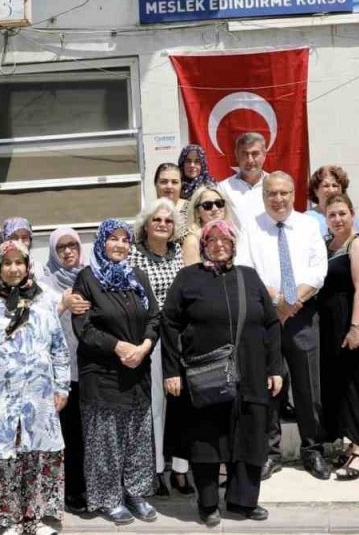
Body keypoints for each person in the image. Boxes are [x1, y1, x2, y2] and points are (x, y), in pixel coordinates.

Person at [162, 220, 283, 525]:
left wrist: (274, 368)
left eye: (225, 239)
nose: (219, 244)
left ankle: (243, 502)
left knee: (250, 438)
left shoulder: (249, 277)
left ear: (233, 244)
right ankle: (207, 504)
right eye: (212, 239)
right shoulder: (188, 278)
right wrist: (172, 370)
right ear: (203, 244)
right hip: (206, 377)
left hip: (252, 375)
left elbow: (271, 323)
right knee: (207, 439)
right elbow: (169, 324)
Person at [0, 240, 70, 535]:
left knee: (35, 456)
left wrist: (62, 387)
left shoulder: (44, 299)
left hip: (38, 395)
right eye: (6, 263)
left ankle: (33, 520)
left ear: (27, 265)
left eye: (18, 262)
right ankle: (5, 522)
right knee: (1, 458)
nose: (13, 268)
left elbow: (58, 347)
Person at [235, 171, 329, 481]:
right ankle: (270, 454)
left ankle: (313, 450)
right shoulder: (251, 226)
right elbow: (246, 268)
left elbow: (318, 270)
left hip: (302, 314)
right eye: (272, 193)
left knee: (308, 387)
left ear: (294, 194)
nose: (278, 199)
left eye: (284, 193)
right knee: (268, 386)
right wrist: (277, 301)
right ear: (264, 197)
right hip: (265, 317)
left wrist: (292, 302)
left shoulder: (308, 225)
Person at [71, 219, 162, 524]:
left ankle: (135, 493)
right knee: (105, 440)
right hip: (102, 373)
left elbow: (154, 316)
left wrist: (146, 345)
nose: (120, 245)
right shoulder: (87, 279)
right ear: (101, 242)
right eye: (113, 239)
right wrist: (119, 347)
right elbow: (84, 328)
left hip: (138, 370)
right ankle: (108, 498)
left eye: (125, 240)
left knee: (137, 435)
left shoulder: (137, 276)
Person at [127, 199, 193, 497]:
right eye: (157, 220)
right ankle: (156, 471)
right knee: (156, 406)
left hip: (179, 337)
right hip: (150, 336)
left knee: (182, 405)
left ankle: (180, 470)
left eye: (168, 221)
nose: (163, 224)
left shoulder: (180, 254)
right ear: (146, 225)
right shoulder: (133, 257)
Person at [317, 195, 359, 480]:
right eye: (332, 214)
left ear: (353, 213)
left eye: (342, 213)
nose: (338, 219)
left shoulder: (357, 245)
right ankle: (350, 441)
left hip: (349, 319)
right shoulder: (329, 245)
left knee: (356, 383)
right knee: (340, 384)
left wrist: (356, 327)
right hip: (330, 321)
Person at [36, 227, 92, 514]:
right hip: (59, 374)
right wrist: (62, 305)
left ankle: (86, 488)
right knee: (65, 435)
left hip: (89, 370)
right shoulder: (43, 284)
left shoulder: (89, 277)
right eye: (62, 248)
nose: (68, 252)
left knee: (86, 435)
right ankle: (68, 491)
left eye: (73, 246)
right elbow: (36, 324)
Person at [218, 132, 270, 231]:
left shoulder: (277, 186)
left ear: (264, 155)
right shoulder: (223, 189)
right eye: (245, 154)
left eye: (255, 154)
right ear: (236, 155)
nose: (250, 160)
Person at [181, 184, 240, 266]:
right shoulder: (193, 241)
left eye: (219, 203)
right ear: (197, 212)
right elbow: (193, 276)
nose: (215, 209)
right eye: (207, 205)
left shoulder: (232, 234)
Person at [306, 165, 350, 238]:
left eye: (335, 185)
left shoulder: (349, 215)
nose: (331, 190)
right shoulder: (307, 219)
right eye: (326, 186)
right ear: (315, 190)